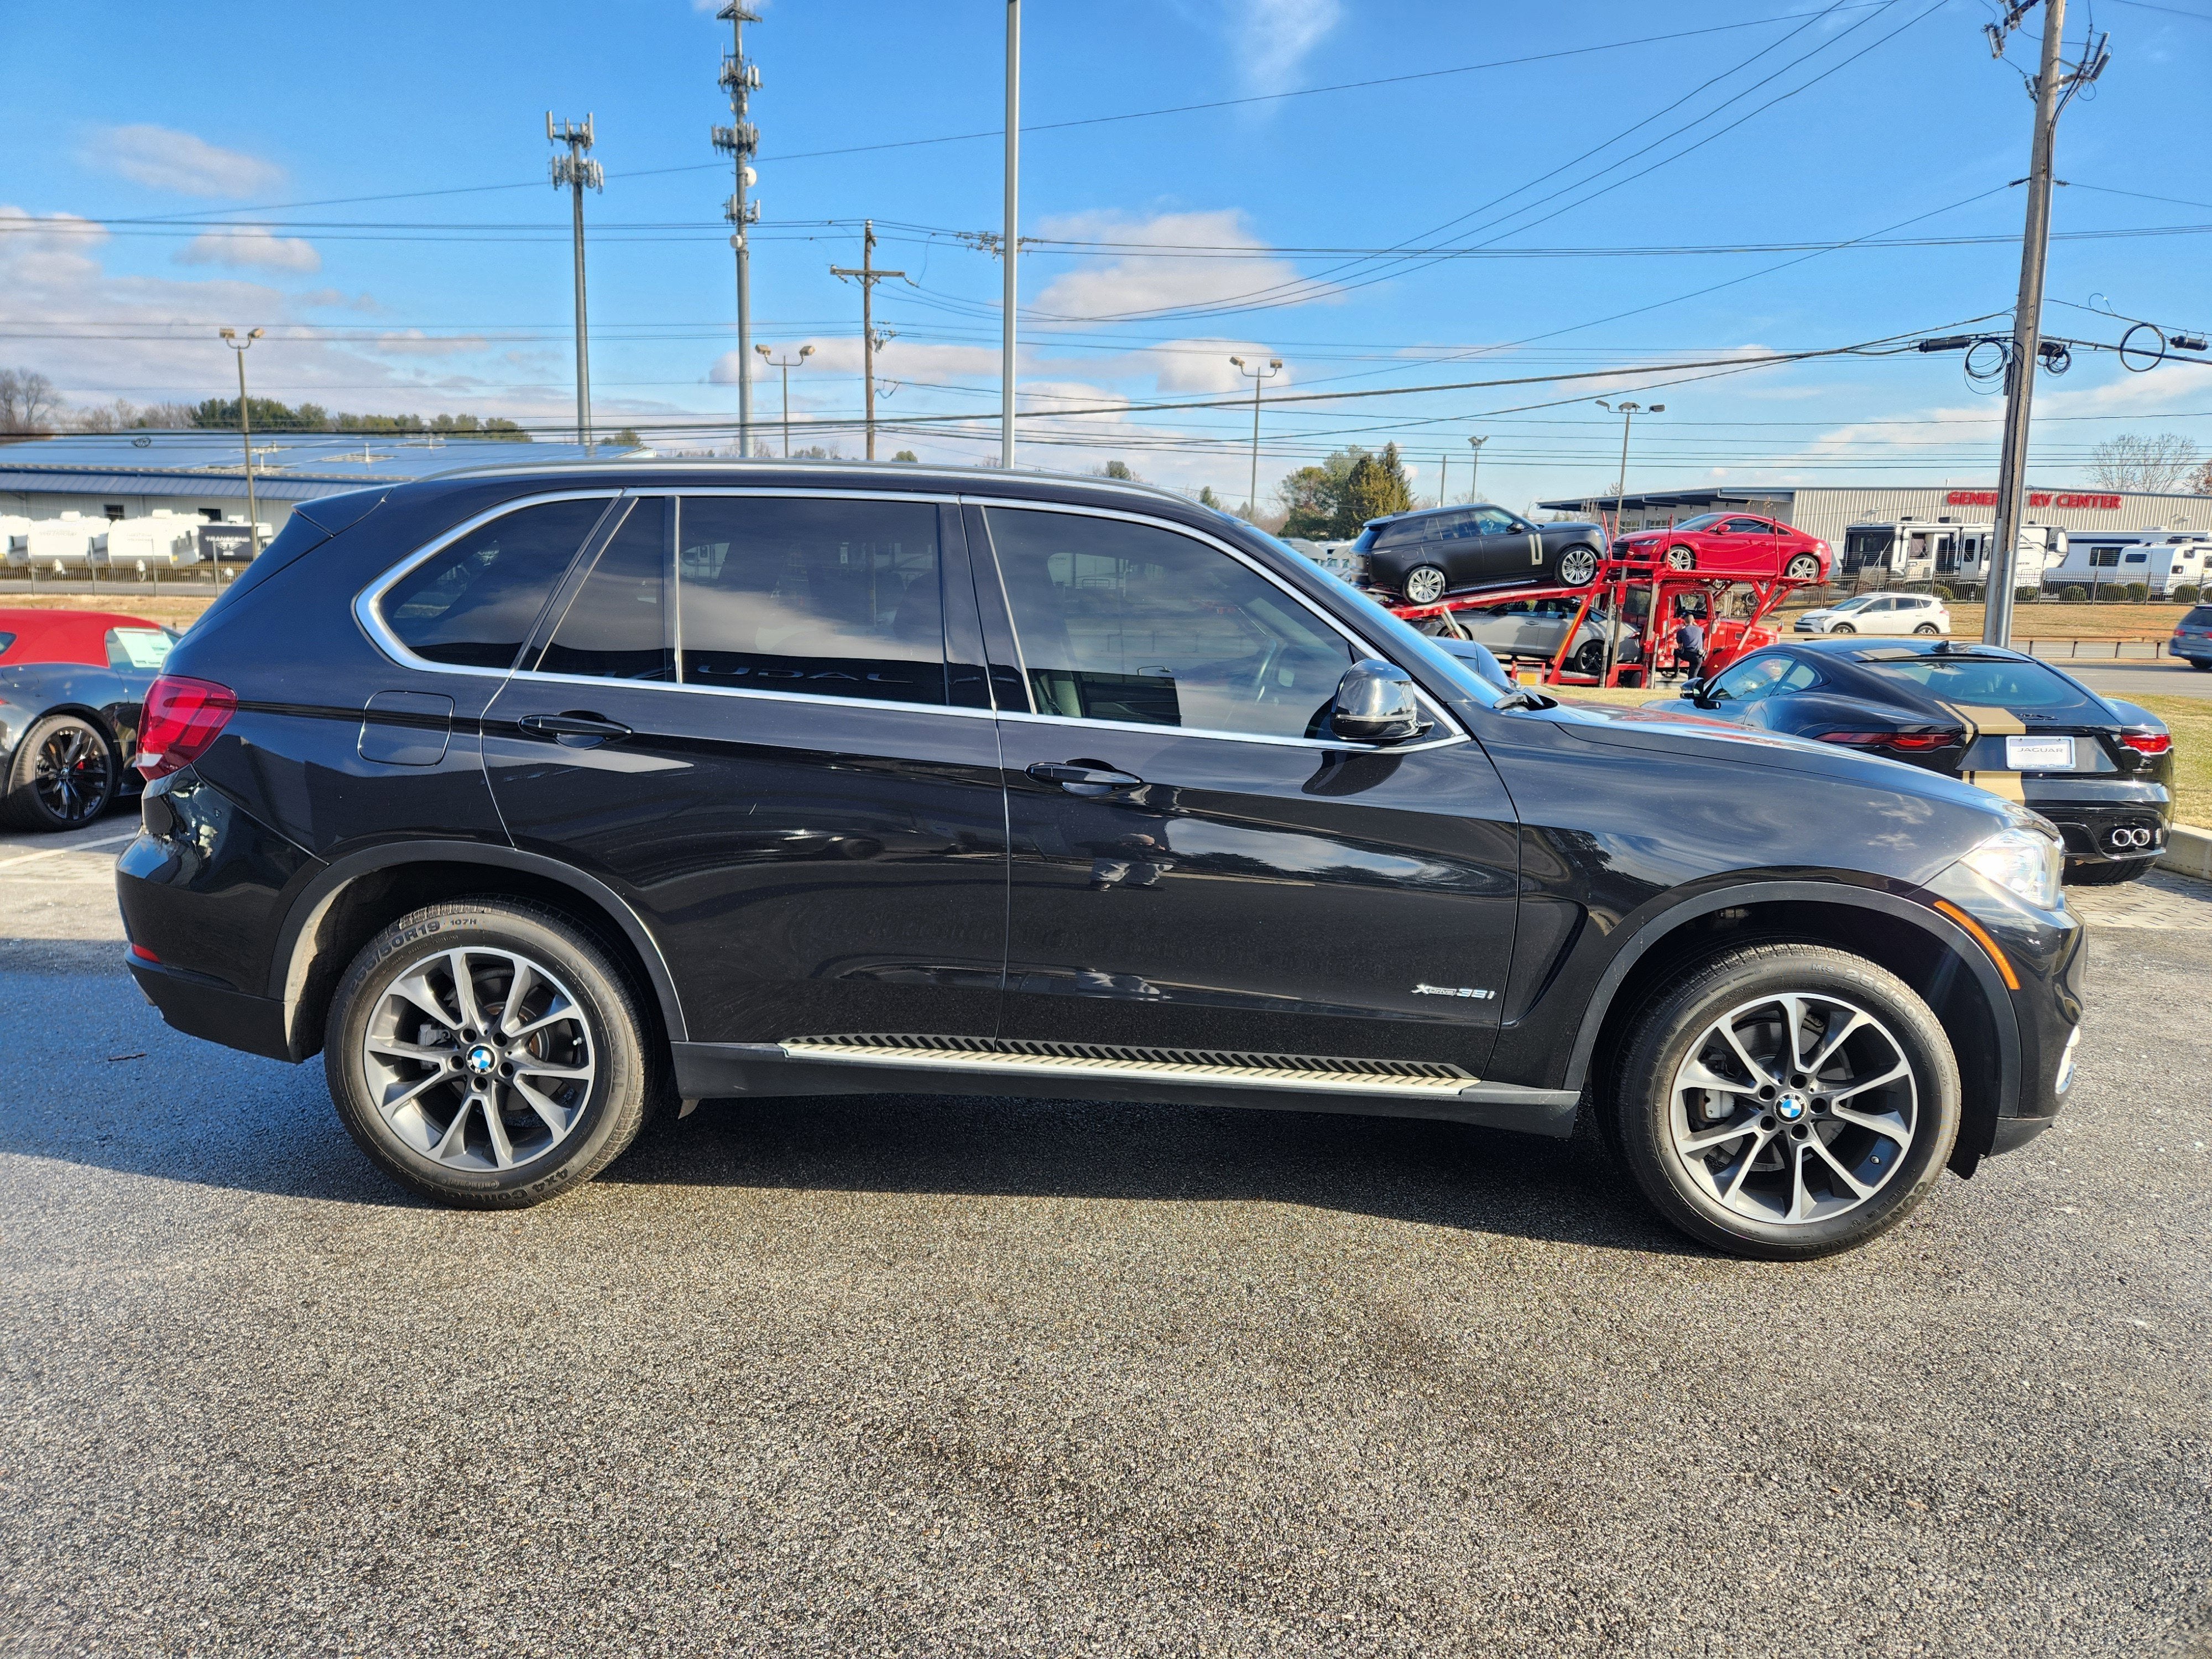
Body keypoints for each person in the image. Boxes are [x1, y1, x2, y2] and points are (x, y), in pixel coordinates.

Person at [1673, 612, 1707, 680]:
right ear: (1693, 620)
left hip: (1688, 655)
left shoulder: (1682, 632)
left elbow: (1680, 647)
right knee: (1692, 677)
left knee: (1676, 652)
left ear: (1684, 622)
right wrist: (1693, 622)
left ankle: (1676, 672)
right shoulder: (1700, 629)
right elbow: (1698, 627)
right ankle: (1692, 687)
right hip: (1699, 656)